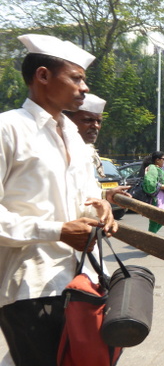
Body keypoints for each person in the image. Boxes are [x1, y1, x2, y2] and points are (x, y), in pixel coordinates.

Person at [0, 34, 117, 366]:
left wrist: (102, 206)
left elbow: (87, 194)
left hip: (86, 283)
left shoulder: (73, 137)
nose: (84, 87)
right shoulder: (9, 129)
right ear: (43, 76)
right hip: (32, 286)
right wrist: (58, 231)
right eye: (76, 78)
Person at [64, 93, 130, 203]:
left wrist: (105, 194)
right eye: (87, 120)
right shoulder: (57, 150)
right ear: (67, 121)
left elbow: (84, 194)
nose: (96, 126)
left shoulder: (86, 152)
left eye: (99, 121)